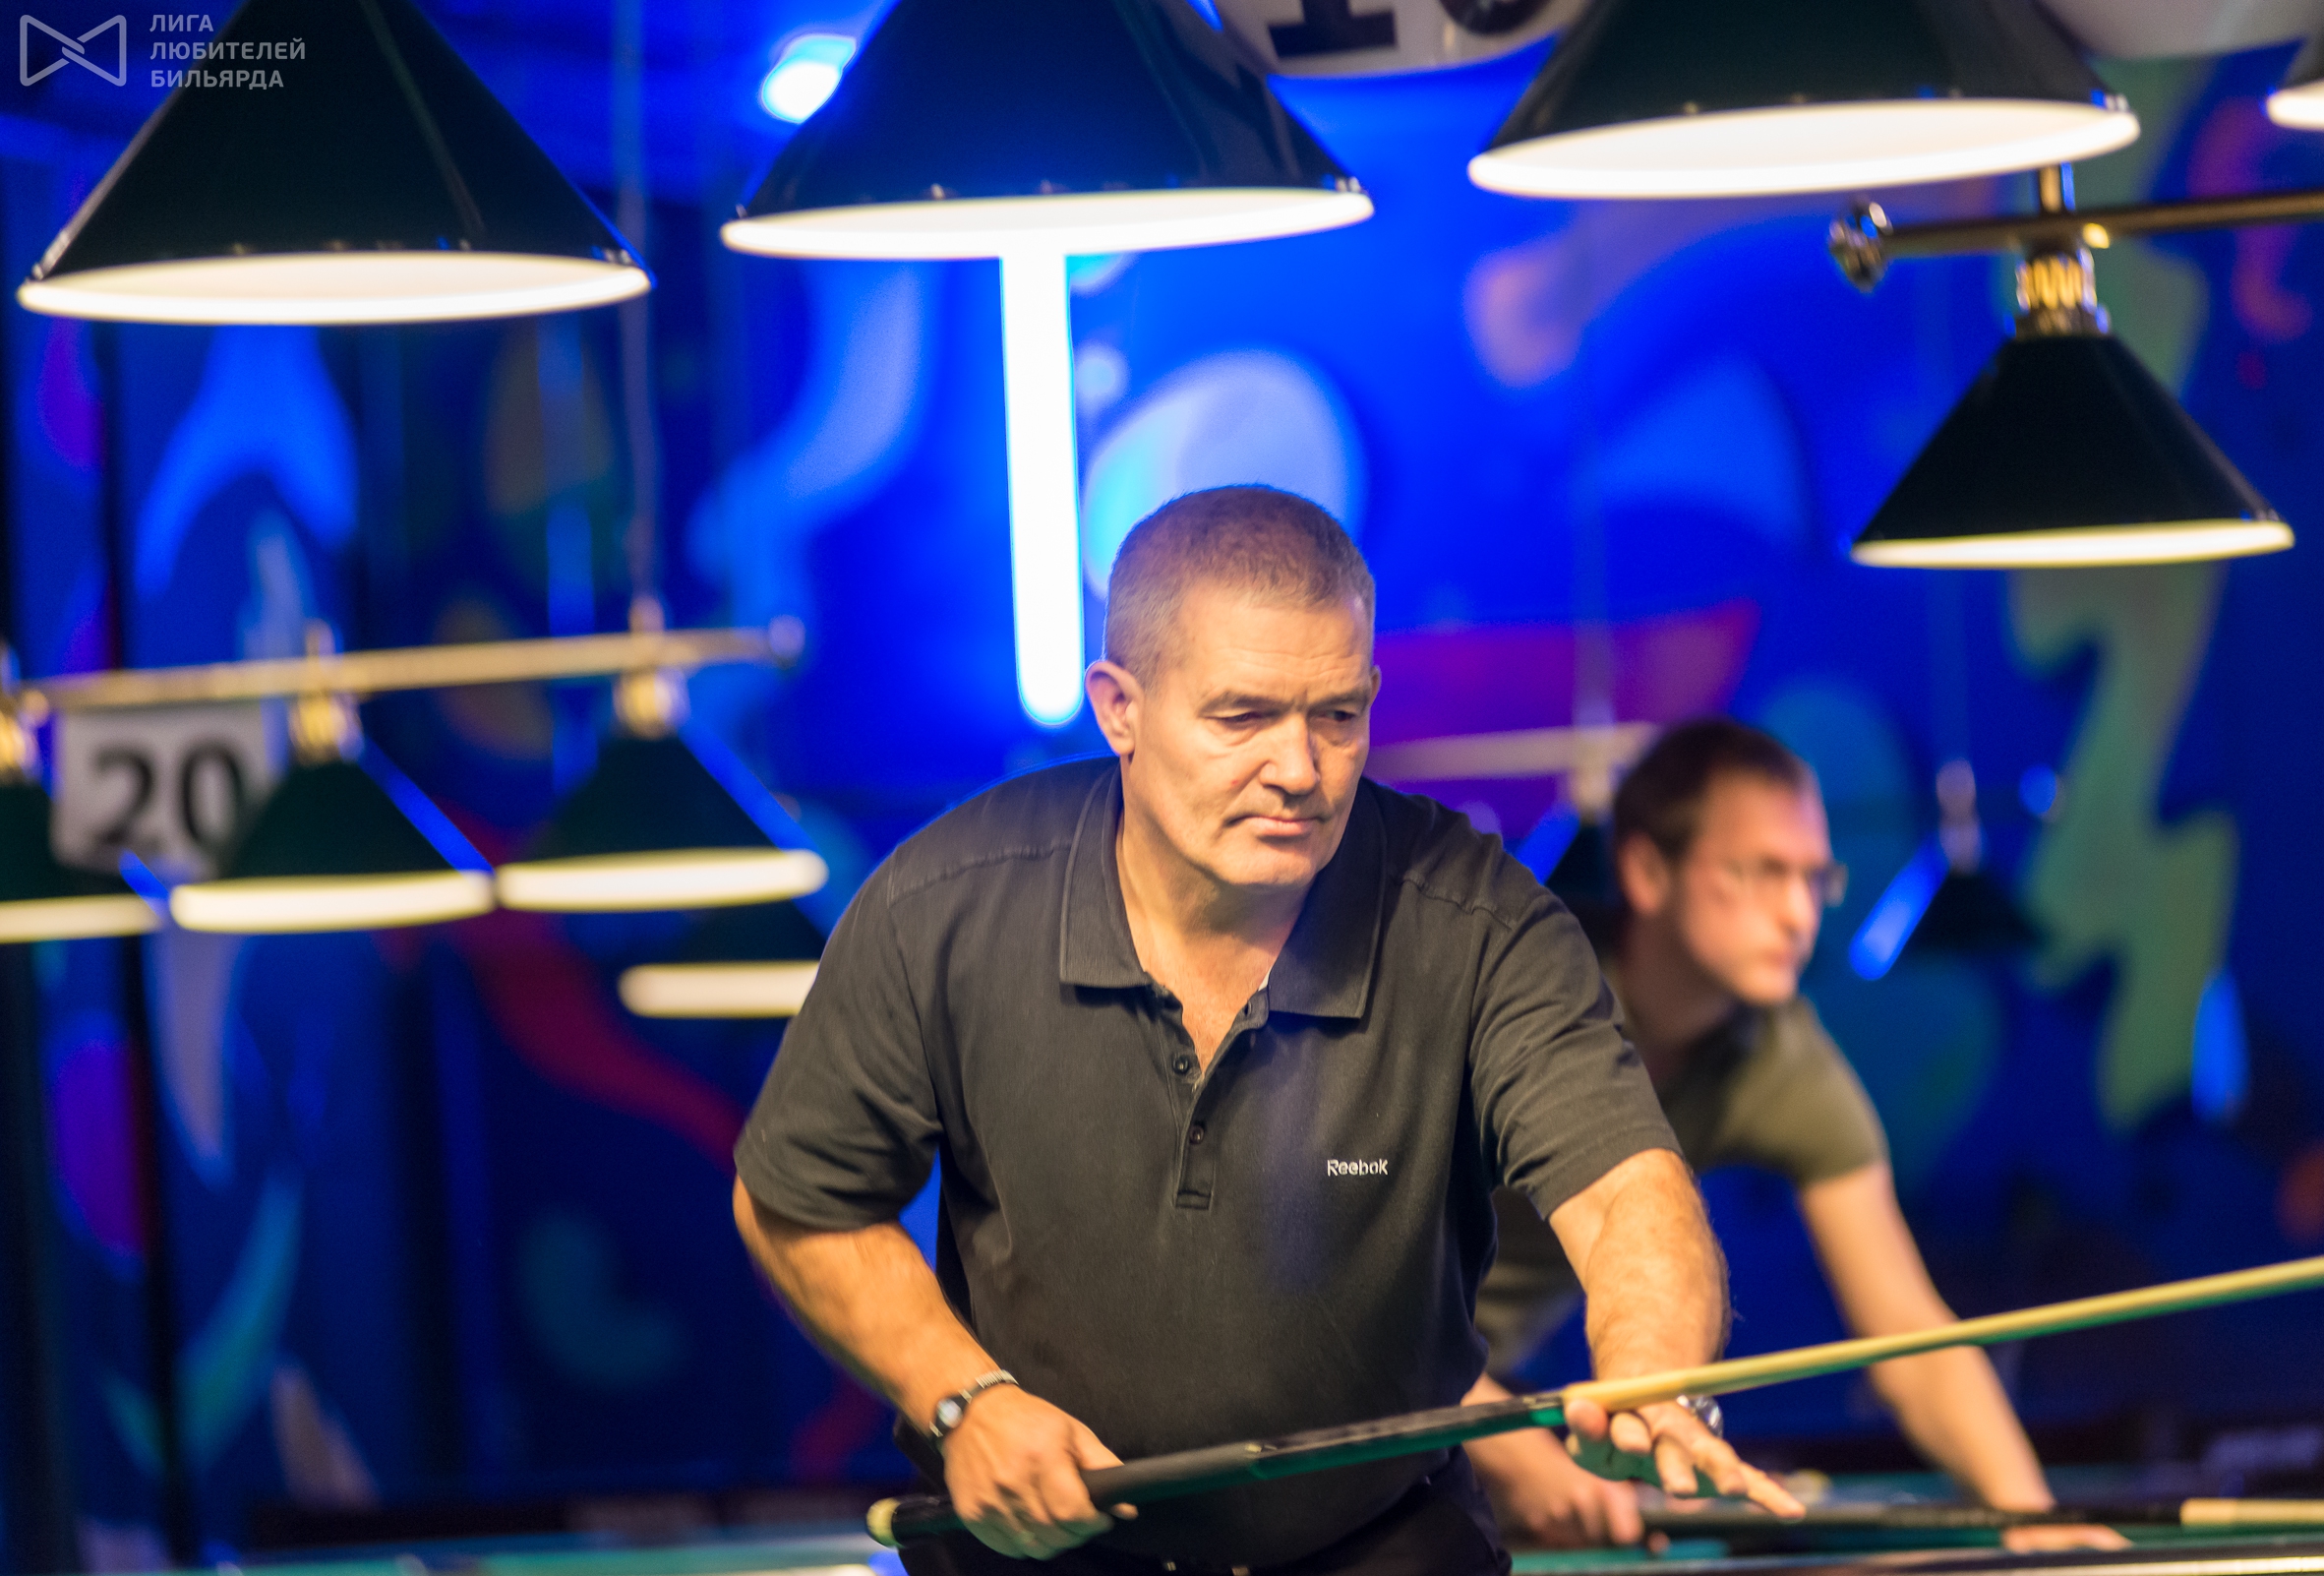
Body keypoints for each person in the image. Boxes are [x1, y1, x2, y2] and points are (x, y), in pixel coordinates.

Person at [731, 487, 1801, 1574]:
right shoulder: (943, 906)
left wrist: (1656, 1373)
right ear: (1119, 709)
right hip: (1032, 1558)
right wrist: (959, 1399)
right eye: (1241, 718)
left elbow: (1626, 1193)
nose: (1299, 771)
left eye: (1337, 716)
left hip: (1382, 1545)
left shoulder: (1482, 924)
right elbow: (801, 1200)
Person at [1460, 719, 2124, 1553]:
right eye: (1762, 873)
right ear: (1647, 870)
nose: (1799, 914)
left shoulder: (1781, 1055)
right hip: (1359, 1388)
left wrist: (2032, 1520)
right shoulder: (1508, 1003)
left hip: (1476, 1395)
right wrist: (1508, 1451)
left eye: (1816, 878)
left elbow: (1909, 1332)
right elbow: (1340, 1297)